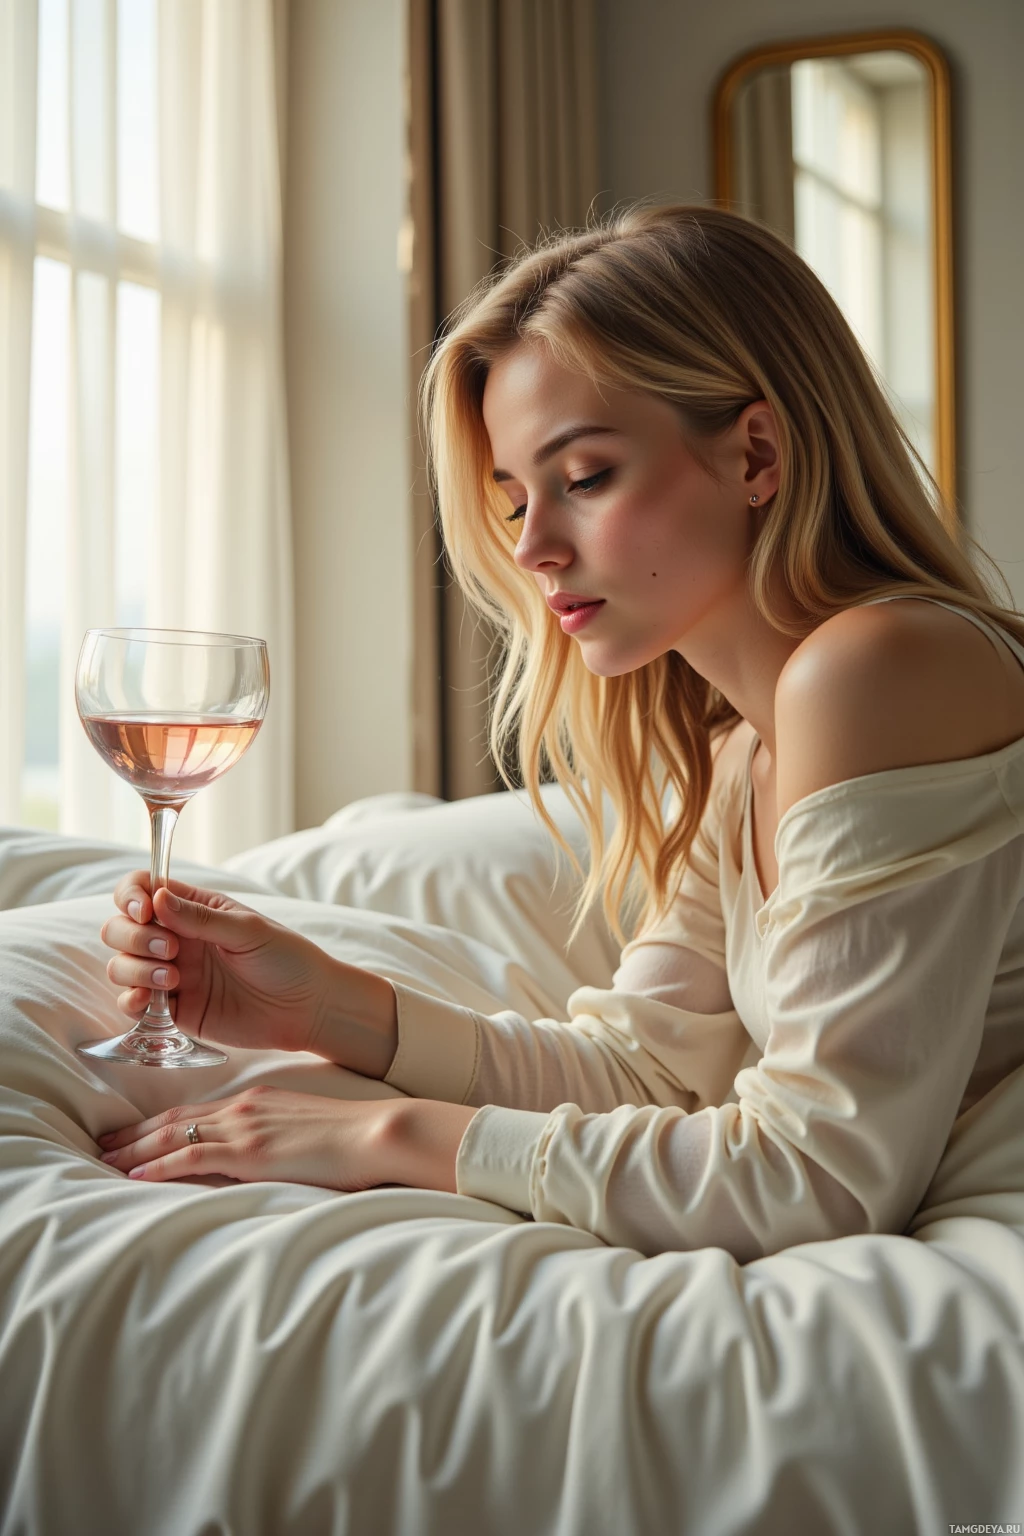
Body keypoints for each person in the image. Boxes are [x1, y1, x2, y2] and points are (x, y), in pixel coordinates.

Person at [97, 203, 1024, 1261]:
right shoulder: (747, 749)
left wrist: (388, 1134)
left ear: (756, 453)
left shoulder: (882, 671)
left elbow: (813, 1179)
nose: (533, 546)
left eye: (583, 478)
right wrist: (327, 1008)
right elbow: (651, 1071)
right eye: (511, 500)